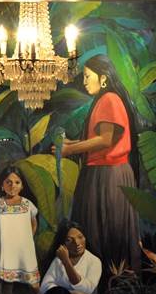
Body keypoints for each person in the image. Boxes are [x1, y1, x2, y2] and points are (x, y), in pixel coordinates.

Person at [54, 55, 141, 277]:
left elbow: (105, 140)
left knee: (104, 231)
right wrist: (70, 144)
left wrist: (69, 150)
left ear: (103, 78)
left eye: (87, 76)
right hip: (102, 172)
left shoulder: (109, 99)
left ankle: (107, 283)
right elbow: (99, 138)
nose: (84, 81)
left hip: (108, 175)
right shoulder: (104, 100)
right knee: (97, 230)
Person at [0, 165, 39, 294]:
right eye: (8, 182)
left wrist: (27, 239)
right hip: (7, 251)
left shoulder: (27, 204)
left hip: (25, 250)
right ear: (2, 185)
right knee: (7, 284)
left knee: (33, 283)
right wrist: (3, 238)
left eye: (17, 182)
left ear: (22, 185)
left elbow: (33, 223)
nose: (13, 186)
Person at [38, 221, 101, 294]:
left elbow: (86, 290)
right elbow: (45, 286)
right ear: (63, 244)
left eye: (80, 237)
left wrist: (66, 262)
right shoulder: (58, 260)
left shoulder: (94, 261)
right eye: (69, 240)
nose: (77, 243)